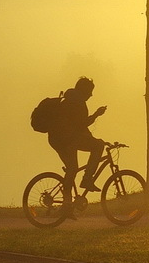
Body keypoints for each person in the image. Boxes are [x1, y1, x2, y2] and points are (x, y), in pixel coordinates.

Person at [35, 77, 109, 205]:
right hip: (66, 139)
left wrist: (91, 138)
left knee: (72, 169)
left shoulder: (69, 99)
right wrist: (96, 114)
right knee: (97, 146)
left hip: (58, 139)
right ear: (84, 90)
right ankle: (86, 180)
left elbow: (79, 127)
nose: (91, 95)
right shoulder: (77, 102)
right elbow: (82, 124)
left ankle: (67, 205)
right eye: (90, 91)